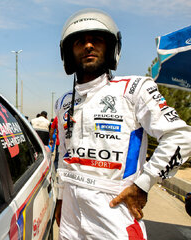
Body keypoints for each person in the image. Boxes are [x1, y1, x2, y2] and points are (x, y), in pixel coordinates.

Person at [54, 8, 191, 239]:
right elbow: (63, 152)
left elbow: (181, 137)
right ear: (69, 52)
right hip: (70, 212)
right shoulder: (64, 102)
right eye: (80, 41)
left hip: (114, 207)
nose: (88, 46)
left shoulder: (134, 89)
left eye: (96, 40)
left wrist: (143, 184)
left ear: (110, 48)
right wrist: (60, 197)